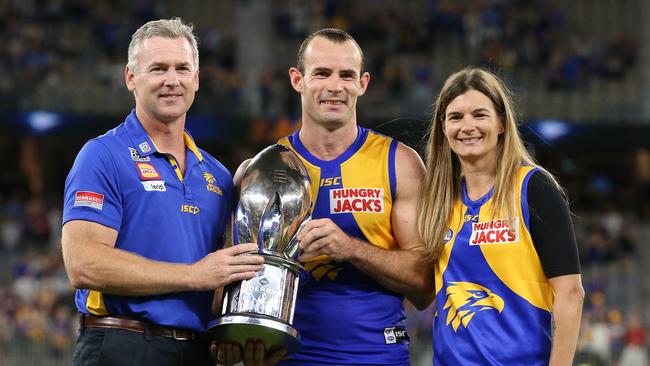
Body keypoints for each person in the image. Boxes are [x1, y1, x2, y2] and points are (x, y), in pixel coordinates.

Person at [219, 28, 435, 366]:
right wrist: (234, 339)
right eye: (322, 73)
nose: (335, 86)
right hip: (283, 358)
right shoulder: (258, 171)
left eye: (346, 75)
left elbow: (424, 286)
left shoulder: (400, 164)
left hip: (377, 356)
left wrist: (349, 248)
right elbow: (229, 279)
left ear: (362, 83)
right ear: (297, 79)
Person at [61, 18, 264, 366]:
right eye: (158, 68)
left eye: (182, 68)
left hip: (197, 351)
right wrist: (193, 275)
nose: (172, 80)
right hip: (122, 344)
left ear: (196, 79)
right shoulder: (103, 155)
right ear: (131, 77)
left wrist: (231, 331)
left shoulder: (216, 175)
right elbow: (84, 264)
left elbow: (218, 277)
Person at [417, 67, 585, 365]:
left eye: (480, 115)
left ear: (502, 124)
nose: (467, 126)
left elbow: (570, 294)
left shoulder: (534, 188)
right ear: (443, 128)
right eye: (456, 117)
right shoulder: (439, 198)